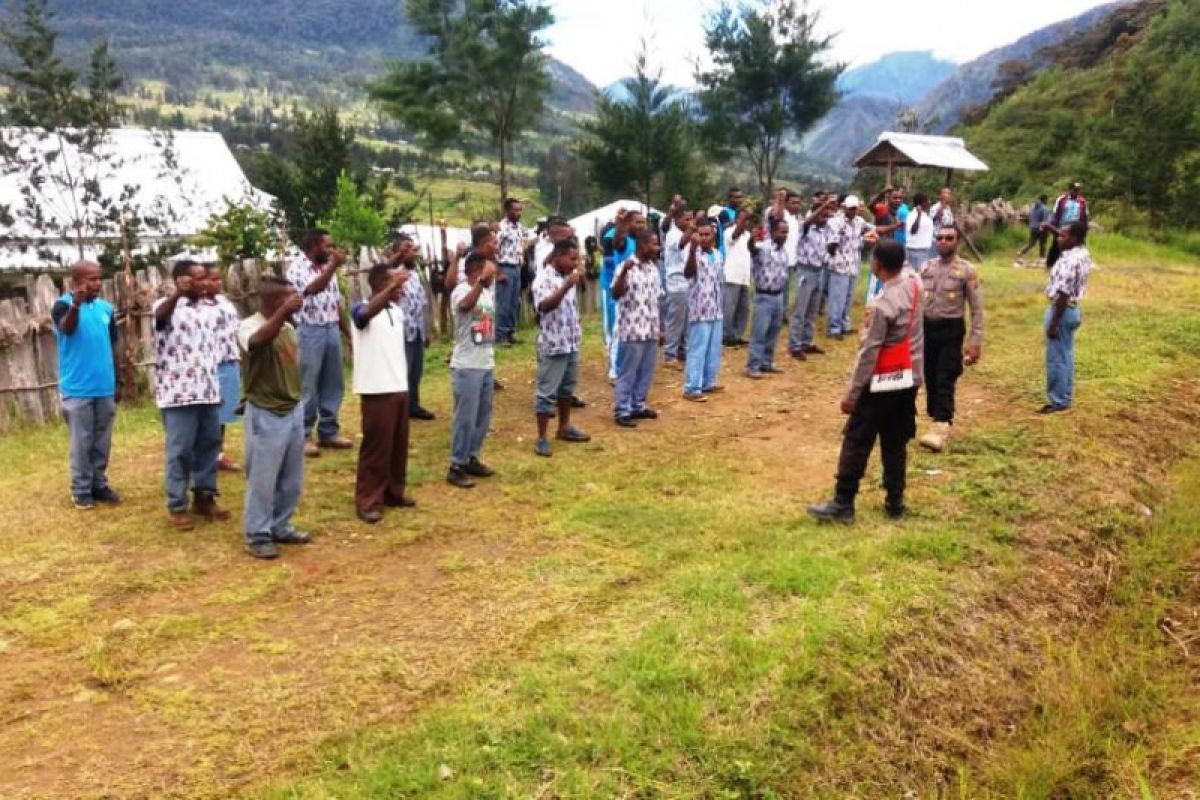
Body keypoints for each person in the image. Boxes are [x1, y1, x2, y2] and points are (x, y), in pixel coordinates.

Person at [808, 240, 924, 524]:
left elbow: (869, 351)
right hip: (908, 376)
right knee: (895, 441)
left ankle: (843, 502)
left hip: (882, 379)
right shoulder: (915, 287)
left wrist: (853, 392)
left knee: (857, 439)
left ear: (877, 265)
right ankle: (895, 502)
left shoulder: (883, 304)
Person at [238, 276, 311, 560]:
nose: (297, 300)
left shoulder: (289, 327)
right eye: (289, 297)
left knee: (292, 477)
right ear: (273, 301)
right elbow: (257, 343)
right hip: (266, 411)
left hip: (293, 408)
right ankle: (257, 533)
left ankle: (281, 524)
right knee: (262, 477)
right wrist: (282, 313)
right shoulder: (250, 326)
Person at [153, 260, 229, 530]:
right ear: (182, 281)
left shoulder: (210, 310)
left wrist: (217, 388)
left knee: (209, 445)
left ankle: (205, 497)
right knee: (180, 450)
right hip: (178, 394)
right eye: (199, 279)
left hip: (207, 390)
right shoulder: (167, 306)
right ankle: (177, 505)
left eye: (206, 278)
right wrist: (177, 295)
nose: (206, 283)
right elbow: (159, 318)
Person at [51, 260, 121, 510]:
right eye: (91, 279)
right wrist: (76, 305)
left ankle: (98, 484)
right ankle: (81, 490)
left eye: (98, 278)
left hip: (104, 386)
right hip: (77, 388)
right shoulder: (62, 306)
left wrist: (118, 381)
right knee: (82, 441)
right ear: (76, 281)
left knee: (102, 440)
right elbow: (67, 330)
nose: (96, 283)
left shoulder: (106, 308)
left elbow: (113, 345)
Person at [350, 262, 415, 524]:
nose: (400, 288)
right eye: (392, 283)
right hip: (376, 388)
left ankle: (393, 491)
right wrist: (391, 288)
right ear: (379, 285)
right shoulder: (361, 307)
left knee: (398, 446)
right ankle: (368, 499)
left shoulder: (396, 311)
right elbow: (363, 316)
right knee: (376, 447)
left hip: (398, 385)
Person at [286, 228, 353, 457]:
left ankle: (328, 431)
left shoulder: (327, 268)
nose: (331, 250)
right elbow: (313, 289)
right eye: (327, 246)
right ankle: (303, 435)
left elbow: (336, 303)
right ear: (313, 245)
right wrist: (334, 265)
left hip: (330, 326)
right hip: (308, 329)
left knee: (333, 382)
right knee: (308, 385)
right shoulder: (297, 267)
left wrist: (348, 334)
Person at [917, 226, 984, 453]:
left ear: (957, 242)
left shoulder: (967, 270)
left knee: (946, 375)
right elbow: (917, 303)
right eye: (940, 238)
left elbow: (976, 309)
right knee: (930, 376)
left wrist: (975, 341)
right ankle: (936, 416)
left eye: (949, 238)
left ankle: (941, 424)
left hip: (951, 329)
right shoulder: (926, 267)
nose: (944, 241)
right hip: (927, 329)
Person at [530, 239, 590, 456]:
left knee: (567, 389)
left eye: (577, 259)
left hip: (571, 340)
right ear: (557, 257)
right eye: (571, 259)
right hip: (553, 343)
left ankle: (564, 427)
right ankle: (541, 437)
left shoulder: (568, 276)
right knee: (547, 392)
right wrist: (566, 286)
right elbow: (543, 307)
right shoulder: (543, 279)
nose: (575, 263)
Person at [447, 252, 499, 488]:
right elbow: (465, 306)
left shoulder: (487, 292)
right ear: (475, 270)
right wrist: (480, 283)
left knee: (482, 416)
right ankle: (456, 464)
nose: (492, 273)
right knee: (465, 418)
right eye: (488, 269)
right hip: (467, 365)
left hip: (485, 361)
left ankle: (471, 457)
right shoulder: (460, 290)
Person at [1038, 221, 1091, 414]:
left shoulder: (1070, 261)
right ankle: (1065, 396)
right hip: (1072, 310)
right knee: (1066, 355)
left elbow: (1063, 293)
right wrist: (1052, 229)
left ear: (1074, 239)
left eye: (1063, 236)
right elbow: (1066, 237)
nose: (1058, 238)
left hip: (1062, 310)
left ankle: (1058, 401)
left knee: (1056, 359)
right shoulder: (1082, 253)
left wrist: (1053, 324)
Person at [612, 230, 663, 426]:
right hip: (632, 329)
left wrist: (661, 328)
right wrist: (625, 271)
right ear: (642, 245)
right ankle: (622, 409)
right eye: (653, 244)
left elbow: (657, 300)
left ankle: (638, 405)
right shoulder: (624, 267)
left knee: (646, 370)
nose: (657, 248)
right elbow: (616, 294)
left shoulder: (653, 269)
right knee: (628, 371)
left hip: (650, 328)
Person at [389, 236, 436, 421]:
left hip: (416, 330)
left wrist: (425, 331)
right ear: (398, 253)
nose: (412, 251)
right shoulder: (392, 274)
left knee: (416, 371)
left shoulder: (415, 274)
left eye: (412, 248)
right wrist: (397, 256)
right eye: (406, 249)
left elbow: (421, 305)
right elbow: (382, 270)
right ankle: (398, 410)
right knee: (402, 371)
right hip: (400, 331)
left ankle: (413, 405)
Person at [788, 199, 837, 359]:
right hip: (806, 271)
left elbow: (827, 250)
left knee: (812, 311)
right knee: (800, 311)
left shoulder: (824, 231)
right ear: (815, 215)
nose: (825, 218)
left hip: (819, 271)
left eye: (826, 215)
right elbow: (808, 221)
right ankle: (795, 346)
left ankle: (806, 342)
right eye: (822, 215)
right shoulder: (806, 228)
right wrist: (823, 205)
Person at [682, 217, 725, 402]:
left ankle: (708, 382)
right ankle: (692, 387)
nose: (705, 238)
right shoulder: (693, 253)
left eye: (708, 234)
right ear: (696, 235)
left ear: (714, 235)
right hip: (700, 309)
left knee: (713, 348)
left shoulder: (717, 254)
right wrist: (693, 248)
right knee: (697, 349)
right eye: (701, 234)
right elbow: (688, 273)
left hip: (716, 309)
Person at [205, 265, 242, 472]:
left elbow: (236, 330)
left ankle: (218, 454)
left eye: (219, 279)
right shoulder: (197, 307)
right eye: (212, 279)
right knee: (208, 414)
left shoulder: (225, 302)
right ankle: (203, 456)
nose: (217, 283)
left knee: (224, 413)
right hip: (209, 366)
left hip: (229, 362)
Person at [601, 210, 645, 380]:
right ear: (628, 224)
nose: (641, 226)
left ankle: (630, 365)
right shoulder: (624, 241)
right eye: (637, 222)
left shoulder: (641, 242)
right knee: (617, 331)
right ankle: (615, 371)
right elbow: (617, 243)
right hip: (617, 291)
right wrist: (619, 224)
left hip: (635, 294)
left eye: (643, 222)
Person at [745, 215, 790, 379]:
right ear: (773, 232)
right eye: (781, 232)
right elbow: (751, 249)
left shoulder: (783, 252)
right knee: (760, 332)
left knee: (773, 330)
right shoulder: (763, 247)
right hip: (764, 295)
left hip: (778, 295)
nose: (784, 235)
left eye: (786, 232)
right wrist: (751, 239)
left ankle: (766, 362)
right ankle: (752, 366)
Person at [826, 196, 876, 339]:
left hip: (853, 264)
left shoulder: (859, 222)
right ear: (844, 207)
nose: (854, 211)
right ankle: (834, 328)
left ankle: (844, 325)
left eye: (856, 208)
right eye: (851, 208)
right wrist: (837, 238)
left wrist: (893, 227)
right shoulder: (835, 222)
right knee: (837, 298)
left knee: (848, 298)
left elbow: (874, 229)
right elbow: (831, 246)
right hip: (839, 265)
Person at [661, 206, 693, 369]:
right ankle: (670, 354)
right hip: (676, 284)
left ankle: (682, 351)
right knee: (675, 321)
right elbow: (681, 245)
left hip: (686, 283)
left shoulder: (684, 234)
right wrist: (692, 230)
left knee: (686, 320)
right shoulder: (674, 234)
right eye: (686, 219)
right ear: (677, 219)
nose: (689, 222)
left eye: (691, 219)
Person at [495, 197, 528, 346]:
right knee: (504, 303)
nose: (519, 213)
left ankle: (511, 332)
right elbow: (494, 249)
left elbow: (521, 245)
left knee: (515, 302)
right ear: (507, 210)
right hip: (505, 267)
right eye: (515, 210)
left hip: (517, 267)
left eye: (520, 210)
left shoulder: (519, 228)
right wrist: (498, 272)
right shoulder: (501, 228)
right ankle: (501, 334)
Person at [721, 205, 754, 346]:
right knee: (729, 308)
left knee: (743, 308)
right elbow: (735, 234)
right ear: (737, 219)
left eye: (747, 219)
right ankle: (726, 336)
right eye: (742, 218)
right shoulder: (728, 232)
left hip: (745, 276)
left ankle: (737, 335)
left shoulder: (748, 235)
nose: (745, 221)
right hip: (732, 275)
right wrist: (744, 216)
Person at [1043, 182, 1088, 268]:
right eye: (1075, 190)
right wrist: (1052, 225)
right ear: (1070, 190)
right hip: (1062, 227)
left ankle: (1076, 264)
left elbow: (1085, 215)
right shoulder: (1061, 199)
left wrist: (1085, 228)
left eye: (1078, 190)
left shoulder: (1082, 201)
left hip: (1076, 228)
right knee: (1056, 245)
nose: (1076, 192)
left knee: (1077, 246)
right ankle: (1050, 264)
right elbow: (1055, 213)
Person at [1016, 194, 1051, 266]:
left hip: (1033, 228)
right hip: (1041, 229)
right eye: (1047, 200)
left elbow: (1031, 218)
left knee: (1031, 243)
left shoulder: (1034, 207)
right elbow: (1045, 221)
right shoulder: (1045, 209)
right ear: (1045, 200)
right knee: (1043, 244)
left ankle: (1021, 252)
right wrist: (1046, 230)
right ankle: (1042, 258)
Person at [904, 192, 936, 270]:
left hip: (926, 250)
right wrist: (918, 216)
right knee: (917, 276)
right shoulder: (912, 215)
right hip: (915, 251)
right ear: (921, 203)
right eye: (927, 201)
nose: (929, 203)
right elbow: (913, 230)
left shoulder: (926, 215)